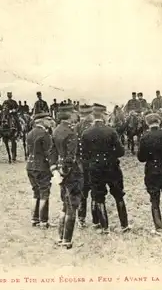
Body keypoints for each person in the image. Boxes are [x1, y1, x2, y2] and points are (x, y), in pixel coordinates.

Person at [82, 103, 130, 234]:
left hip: (95, 168)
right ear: (104, 115)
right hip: (112, 167)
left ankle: (104, 228)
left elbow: (84, 155)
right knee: (119, 195)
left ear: (93, 115)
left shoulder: (86, 133)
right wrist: (110, 155)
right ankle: (124, 225)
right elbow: (120, 151)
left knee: (98, 196)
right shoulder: (111, 131)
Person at [49, 104, 83, 249]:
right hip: (72, 173)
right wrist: (64, 172)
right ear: (69, 116)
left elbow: (52, 152)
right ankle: (67, 240)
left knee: (64, 205)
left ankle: (60, 236)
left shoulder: (56, 131)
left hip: (60, 171)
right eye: (74, 113)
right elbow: (71, 157)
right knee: (72, 206)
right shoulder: (71, 132)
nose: (76, 115)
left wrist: (55, 170)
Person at [26, 112, 55, 229]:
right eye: (48, 119)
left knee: (35, 192)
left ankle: (34, 219)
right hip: (42, 167)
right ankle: (44, 221)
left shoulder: (30, 133)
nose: (50, 122)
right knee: (44, 193)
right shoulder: (45, 134)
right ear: (42, 121)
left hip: (30, 166)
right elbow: (49, 153)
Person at [74, 104, 98, 228]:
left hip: (80, 165)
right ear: (90, 114)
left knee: (82, 193)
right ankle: (95, 220)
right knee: (94, 192)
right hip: (93, 164)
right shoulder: (93, 128)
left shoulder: (76, 127)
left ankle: (81, 219)